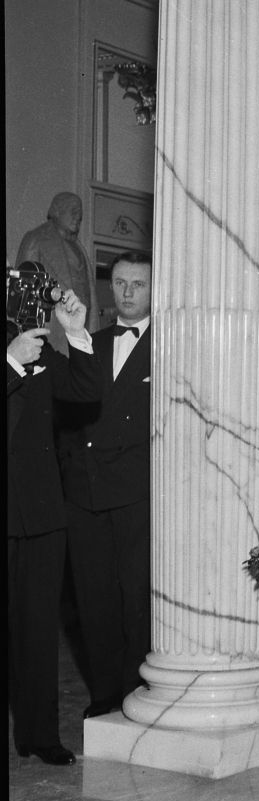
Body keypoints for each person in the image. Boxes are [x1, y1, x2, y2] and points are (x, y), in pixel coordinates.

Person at [57, 252, 154, 718]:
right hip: (87, 493)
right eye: (119, 283)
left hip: (137, 492)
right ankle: (104, 693)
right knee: (93, 597)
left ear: (154, 289)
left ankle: (136, 690)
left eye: (138, 283)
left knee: (135, 597)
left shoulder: (170, 346)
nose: (128, 292)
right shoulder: (88, 343)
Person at [8, 288, 101, 762]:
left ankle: (39, 735)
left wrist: (76, 332)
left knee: (40, 628)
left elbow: (87, 391)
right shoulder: (19, 352)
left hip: (42, 512)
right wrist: (10, 362)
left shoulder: (42, 350)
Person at [16, 193, 101, 352]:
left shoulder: (80, 248)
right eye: (73, 211)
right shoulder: (36, 239)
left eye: (80, 213)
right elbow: (22, 293)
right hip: (50, 336)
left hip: (81, 333)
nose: (78, 217)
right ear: (56, 211)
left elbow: (90, 295)